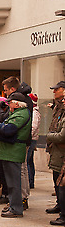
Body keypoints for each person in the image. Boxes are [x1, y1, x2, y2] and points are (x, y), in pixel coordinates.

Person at [0, 92, 31, 218]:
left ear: (17, 104)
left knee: (14, 182)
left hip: (13, 151)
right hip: (9, 151)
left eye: (11, 102)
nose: (8, 104)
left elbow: (9, 130)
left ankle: (16, 208)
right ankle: (14, 206)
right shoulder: (16, 113)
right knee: (10, 181)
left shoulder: (21, 114)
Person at [2, 76, 33, 209]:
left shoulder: (22, 103)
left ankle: (21, 198)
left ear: (13, 89)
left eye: (6, 91)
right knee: (20, 170)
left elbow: (12, 124)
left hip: (20, 141)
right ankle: (18, 199)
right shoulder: (23, 99)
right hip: (19, 140)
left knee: (21, 170)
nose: (6, 95)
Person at [46, 81, 65, 215]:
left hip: (60, 145)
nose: (54, 92)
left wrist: (50, 136)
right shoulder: (58, 105)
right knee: (55, 176)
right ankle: (60, 204)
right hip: (54, 145)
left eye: (56, 89)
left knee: (60, 178)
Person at [27, 93, 40, 189]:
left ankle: (29, 181)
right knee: (30, 161)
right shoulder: (33, 111)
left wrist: (27, 136)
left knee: (27, 161)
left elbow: (34, 127)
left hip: (31, 139)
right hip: (32, 138)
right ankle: (30, 181)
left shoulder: (34, 112)